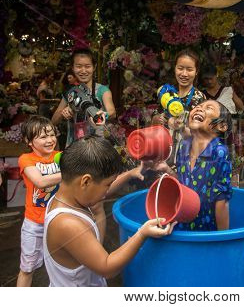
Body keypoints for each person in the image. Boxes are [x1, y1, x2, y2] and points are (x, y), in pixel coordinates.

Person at [44, 136, 175, 286]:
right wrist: (141, 234)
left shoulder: (68, 197)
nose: (107, 191)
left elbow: (100, 192)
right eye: (107, 184)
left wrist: (131, 173)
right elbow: (107, 267)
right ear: (85, 181)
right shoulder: (66, 224)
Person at [154, 100, 233, 231]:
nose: (199, 109)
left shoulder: (219, 152)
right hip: (181, 222)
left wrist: (222, 241)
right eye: (197, 106)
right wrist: (167, 169)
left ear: (222, 126)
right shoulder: (184, 147)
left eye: (208, 108)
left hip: (205, 230)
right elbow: (183, 183)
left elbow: (221, 202)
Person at [16, 116, 61, 286]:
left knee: (60, 268)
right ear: (29, 141)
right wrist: (70, 172)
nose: (50, 140)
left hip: (58, 222)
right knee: (27, 269)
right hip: (35, 224)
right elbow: (40, 182)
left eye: (51, 134)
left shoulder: (61, 156)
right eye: (43, 137)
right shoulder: (25, 159)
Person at [51, 48, 116, 147]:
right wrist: (63, 112)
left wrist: (104, 114)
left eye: (87, 66)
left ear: (94, 67)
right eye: (79, 66)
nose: (83, 70)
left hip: (96, 147)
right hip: (74, 147)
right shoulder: (70, 92)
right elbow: (53, 121)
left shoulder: (103, 90)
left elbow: (112, 112)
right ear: (72, 68)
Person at [152, 49, 206, 162]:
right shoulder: (167, 93)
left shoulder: (199, 98)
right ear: (175, 68)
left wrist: (181, 126)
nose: (184, 74)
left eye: (189, 69)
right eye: (180, 68)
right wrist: (157, 119)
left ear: (196, 71)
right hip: (163, 155)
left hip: (187, 158)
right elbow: (155, 119)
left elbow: (201, 133)